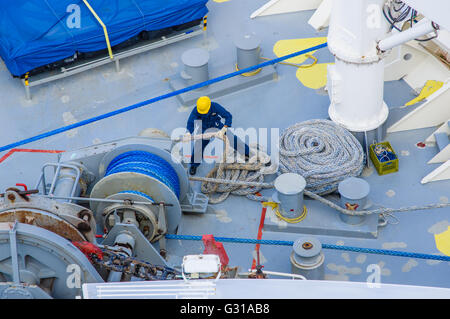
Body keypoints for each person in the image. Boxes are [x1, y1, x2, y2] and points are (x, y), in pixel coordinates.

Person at [186, 96, 250, 175]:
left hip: (216, 125)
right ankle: (194, 165)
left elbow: (228, 116)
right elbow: (190, 122)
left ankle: (246, 152)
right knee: (199, 145)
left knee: (232, 138)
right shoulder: (196, 110)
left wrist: (224, 128)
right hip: (204, 128)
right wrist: (188, 132)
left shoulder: (215, 106)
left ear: (209, 106)